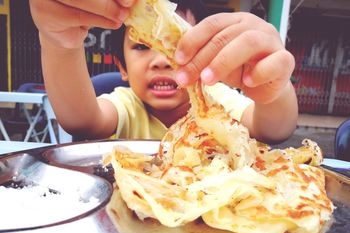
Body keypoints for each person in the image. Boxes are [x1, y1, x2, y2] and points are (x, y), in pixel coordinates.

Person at [29, 0, 298, 144]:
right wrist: (59, 43)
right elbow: (82, 122)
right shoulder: (126, 106)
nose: (162, 61)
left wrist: (272, 89)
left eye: (178, 46)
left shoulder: (216, 101)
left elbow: (274, 130)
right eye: (142, 46)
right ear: (121, 67)